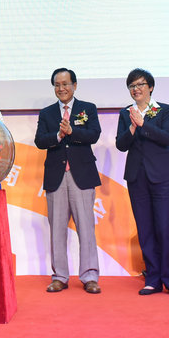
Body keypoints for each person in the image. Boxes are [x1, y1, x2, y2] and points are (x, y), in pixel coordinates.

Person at [34, 67, 102, 294]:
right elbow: (40, 141)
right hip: (56, 176)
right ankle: (60, 276)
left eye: (65, 84)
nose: (61, 88)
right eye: (57, 85)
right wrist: (58, 136)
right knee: (57, 229)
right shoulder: (46, 113)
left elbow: (94, 134)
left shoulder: (87, 108)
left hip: (81, 175)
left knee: (86, 228)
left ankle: (90, 276)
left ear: (74, 85)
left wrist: (72, 131)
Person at [116, 68, 169, 296]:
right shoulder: (126, 114)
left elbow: (168, 137)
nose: (136, 89)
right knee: (145, 229)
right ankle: (152, 278)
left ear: (150, 87)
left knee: (164, 228)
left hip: (162, 178)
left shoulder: (163, 110)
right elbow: (121, 145)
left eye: (140, 84)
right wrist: (132, 127)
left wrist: (144, 124)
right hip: (137, 178)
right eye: (132, 86)